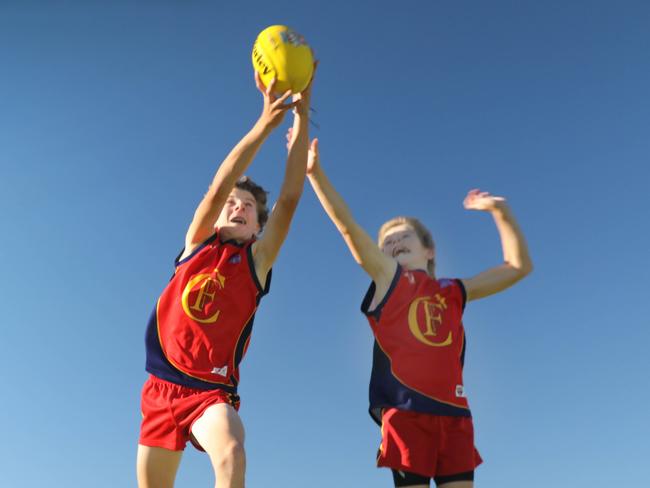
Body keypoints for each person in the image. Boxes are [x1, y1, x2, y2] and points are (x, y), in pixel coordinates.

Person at [305, 138, 532, 487]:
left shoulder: (453, 291)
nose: (394, 243)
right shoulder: (387, 279)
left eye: (403, 236)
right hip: (405, 411)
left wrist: (501, 213)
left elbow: (517, 267)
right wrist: (315, 174)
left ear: (428, 250)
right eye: (387, 242)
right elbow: (349, 227)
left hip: (455, 415)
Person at [137, 71, 313, 488]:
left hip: (209, 393)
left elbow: (289, 199)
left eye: (248, 205)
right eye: (232, 203)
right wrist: (264, 124)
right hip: (161, 388)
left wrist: (302, 113)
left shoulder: (257, 260)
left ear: (258, 225)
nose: (237, 207)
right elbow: (218, 186)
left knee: (231, 450)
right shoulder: (198, 242)